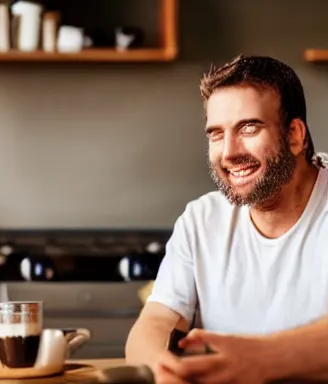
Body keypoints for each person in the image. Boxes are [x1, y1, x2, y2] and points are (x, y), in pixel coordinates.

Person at [125, 54, 328, 384]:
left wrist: (258, 360)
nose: (230, 152)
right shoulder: (201, 220)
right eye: (216, 134)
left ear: (294, 135)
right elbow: (154, 323)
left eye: (249, 127)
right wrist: (165, 369)